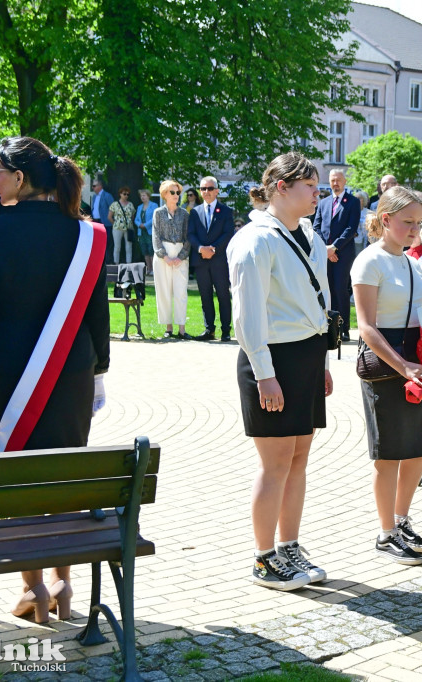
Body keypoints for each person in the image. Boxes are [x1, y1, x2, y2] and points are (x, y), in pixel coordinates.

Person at [0, 136, 110, 625]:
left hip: (12, 375)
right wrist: (101, 370)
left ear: (19, 179)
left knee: (22, 481)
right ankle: (65, 582)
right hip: (72, 374)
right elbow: (96, 313)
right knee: (64, 478)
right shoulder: (86, 233)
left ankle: (34, 591)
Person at [226, 151, 333, 591]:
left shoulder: (307, 232)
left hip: (306, 354)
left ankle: (288, 545)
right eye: (310, 185)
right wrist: (265, 373)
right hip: (269, 358)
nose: (317, 193)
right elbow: (248, 318)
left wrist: (323, 360)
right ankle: (263, 557)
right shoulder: (255, 240)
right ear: (282, 187)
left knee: (299, 459)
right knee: (275, 464)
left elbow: (319, 301)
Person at [352, 186, 422, 565]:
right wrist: (402, 366)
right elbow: (366, 327)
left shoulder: (412, 262)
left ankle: (402, 521)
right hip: (386, 362)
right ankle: (386, 533)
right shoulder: (368, 262)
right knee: (388, 456)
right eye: (408, 222)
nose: (415, 230)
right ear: (385, 220)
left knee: (417, 448)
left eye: (419, 223)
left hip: (415, 359)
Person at [313, 168, 360, 342]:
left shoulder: (353, 202)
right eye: (332, 180)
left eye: (338, 180)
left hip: (343, 254)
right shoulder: (323, 202)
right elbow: (316, 226)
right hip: (324, 253)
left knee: (340, 290)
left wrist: (334, 247)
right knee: (327, 290)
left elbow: (351, 228)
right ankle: (329, 327)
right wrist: (325, 248)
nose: (335, 183)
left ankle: (344, 328)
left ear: (344, 181)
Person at [187, 177, 234, 341]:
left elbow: (228, 234)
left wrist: (213, 249)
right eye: (203, 189)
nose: (206, 192)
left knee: (222, 295)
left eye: (209, 188)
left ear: (216, 191)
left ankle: (226, 330)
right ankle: (209, 330)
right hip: (200, 261)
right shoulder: (194, 212)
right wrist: (201, 249)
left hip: (219, 260)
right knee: (205, 296)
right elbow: (190, 234)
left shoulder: (226, 211)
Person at [152, 180, 190, 339]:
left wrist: (181, 256)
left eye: (178, 193)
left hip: (180, 252)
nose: (176, 195)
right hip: (163, 254)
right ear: (165, 194)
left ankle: (182, 329)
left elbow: (189, 237)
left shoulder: (185, 214)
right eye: (172, 192)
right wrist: (164, 255)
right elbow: (155, 236)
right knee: (164, 291)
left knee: (181, 291)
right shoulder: (158, 213)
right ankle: (168, 328)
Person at [108, 186, 135, 264]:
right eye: (124, 194)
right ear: (120, 194)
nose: (126, 196)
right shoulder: (115, 204)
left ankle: (128, 264)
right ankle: (116, 263)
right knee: (117, 246)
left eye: (128, 194)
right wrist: (115, 224)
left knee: (129, 246)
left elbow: (132, 216)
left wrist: (128, 223)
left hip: (128, 228)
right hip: (117, 228)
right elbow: (109, 217)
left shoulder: (130, 204)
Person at [90, 178, 114, 261]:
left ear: (100, 186)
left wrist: (110, 220)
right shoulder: (94, 196)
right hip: (96, 222)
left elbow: (113, 209)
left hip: (105, 223)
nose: (93, 188)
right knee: (98, 242)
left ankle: (108, 260)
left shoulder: (107, 195)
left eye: (94, 186)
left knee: (107, 242)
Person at [135, 188, 157, 274]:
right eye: (141, 196)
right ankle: (149, 269)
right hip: (141, 232)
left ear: (148, 196)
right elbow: (136, 219)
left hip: (150, 231)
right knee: (145, 251)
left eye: (144, 195)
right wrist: (139, 224)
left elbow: (154, 218)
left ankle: (154, 270)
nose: (142, 197)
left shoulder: (154, 205)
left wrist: (145, 225)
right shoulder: (139, 207)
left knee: (151, 250)